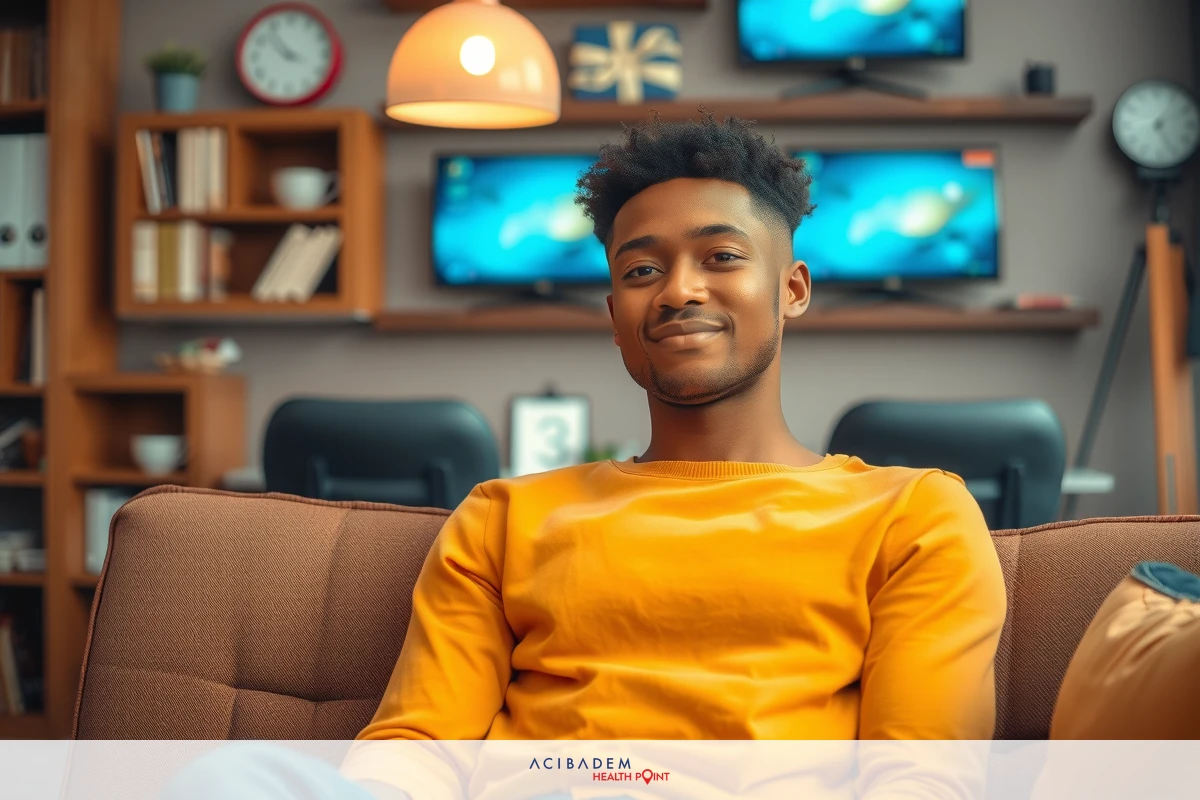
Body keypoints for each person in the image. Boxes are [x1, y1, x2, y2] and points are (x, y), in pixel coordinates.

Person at [162, 112, 1006, 800]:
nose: (678, 289)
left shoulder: (912, 513)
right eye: (643, 269)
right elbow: (420, 745)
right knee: (229, 778)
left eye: (721, 257)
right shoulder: (505, 515)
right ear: (614, 313)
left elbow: (923, 774)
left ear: (792, 288)